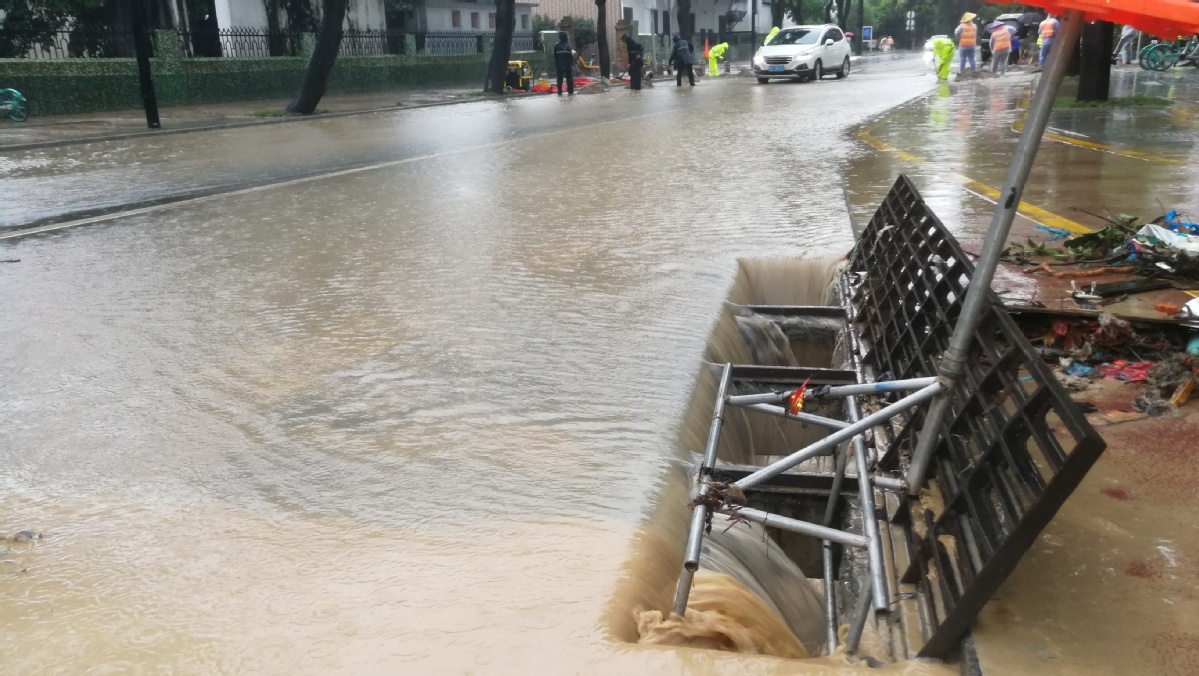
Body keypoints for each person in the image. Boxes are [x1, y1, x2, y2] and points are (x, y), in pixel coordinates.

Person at [553, 31, 575, 95]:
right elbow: (570, 58)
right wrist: (572, 65)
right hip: (567, 66)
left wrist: (556, 65)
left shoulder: (556, 46)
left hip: (559, 66)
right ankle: (570, 92)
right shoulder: (568, 47)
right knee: (569, 79)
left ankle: (559, 92)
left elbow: (555, 57)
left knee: (559, 80)